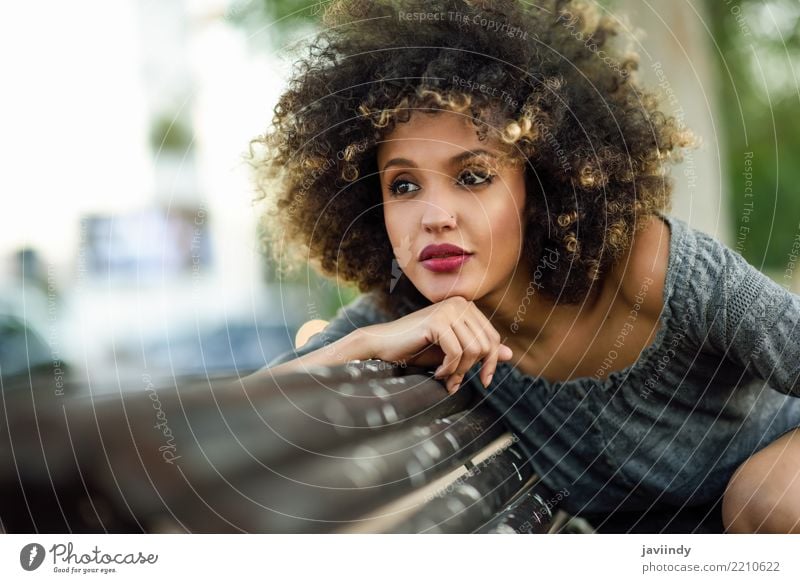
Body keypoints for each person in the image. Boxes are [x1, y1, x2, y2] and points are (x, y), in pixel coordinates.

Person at [247, 0, 800, 533]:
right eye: (405, 185)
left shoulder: (650, 270)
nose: (434, 217)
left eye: (473, 176)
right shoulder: (411, 314)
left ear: (540, 188)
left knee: (765, 498)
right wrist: (362, 344)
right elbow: (232, 419)